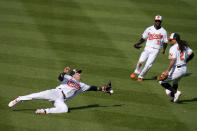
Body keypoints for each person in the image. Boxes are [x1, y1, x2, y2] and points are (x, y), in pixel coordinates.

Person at [8, 67, 112, 114]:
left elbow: (92, 88)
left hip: (61, 100)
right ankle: (19, 99)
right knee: (37, 95)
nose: (79, 74)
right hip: (55, 93)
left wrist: (102, 88)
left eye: (79, 73)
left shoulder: (82, 85)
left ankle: (44, 111)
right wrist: (63, 72)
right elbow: (60, 78)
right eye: (78, 73)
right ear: (73, 74)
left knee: (65, 110)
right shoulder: (67, 78)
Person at [131, 15, 168, 81]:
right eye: (156, 21)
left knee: (148, 65)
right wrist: (137, 43)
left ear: (161, 21)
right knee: (141, 61)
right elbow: (143, 38)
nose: (157, 22)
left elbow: (165, 41)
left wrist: (164, 49)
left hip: (156, 50)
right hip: (147, 48)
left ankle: (141, 76)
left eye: (159, 21)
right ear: (154, 21)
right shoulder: (149, 29)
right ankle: (136, 72)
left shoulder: (163, 31)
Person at [159, 33, 194, 102]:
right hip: (184, 69)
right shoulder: (184, 45)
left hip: (177, 69)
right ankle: (173, 97)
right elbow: (192, 54)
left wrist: (167, 71)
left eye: (171, 40)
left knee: (161, 81)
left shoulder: (173, 48)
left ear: (175, 40)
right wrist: (185, 61)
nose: (170, 41)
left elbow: (173, 60)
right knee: (175, 82)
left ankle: (175, 92)